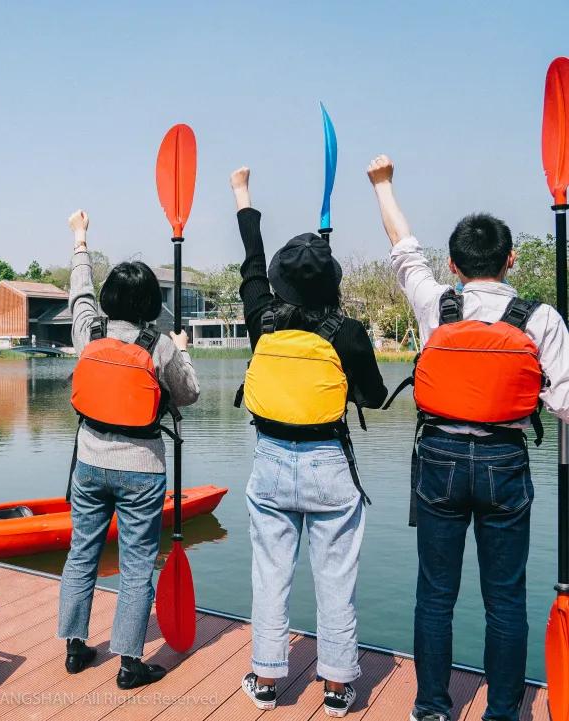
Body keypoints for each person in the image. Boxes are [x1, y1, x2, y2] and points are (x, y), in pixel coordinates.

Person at [367, 155, 569, 721]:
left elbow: (403, 247)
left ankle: (431, 708)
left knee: (436, 595)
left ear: (453, 264)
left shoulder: (437, 303)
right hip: (505, 461)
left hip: (440, 458)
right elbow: (564, 403)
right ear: (511, 259)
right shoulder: (542, 318)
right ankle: (503, 712)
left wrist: (383, 185)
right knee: (505, 599)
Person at [230, 167, 387, 717]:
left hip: (270, 462)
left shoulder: (260, 319)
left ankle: (267, 680)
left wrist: (243, 195)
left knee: (270, 576)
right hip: (328, 464)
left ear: (279, 284)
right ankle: (339, 688)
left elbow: (252, 263)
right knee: (335, 580)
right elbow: (372, 397)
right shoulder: (346, 332)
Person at [59, 209, 200, 690]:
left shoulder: (88, 333)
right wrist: (180, 348)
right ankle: (129, 663)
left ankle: (75, 648)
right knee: (138, 563)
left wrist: (80, 240)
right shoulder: (156, 343)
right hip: (141, 468)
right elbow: (188, 394)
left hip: (90, 462)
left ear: (109, 299)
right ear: (149, 305)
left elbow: (79, 291)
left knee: (82, 553)